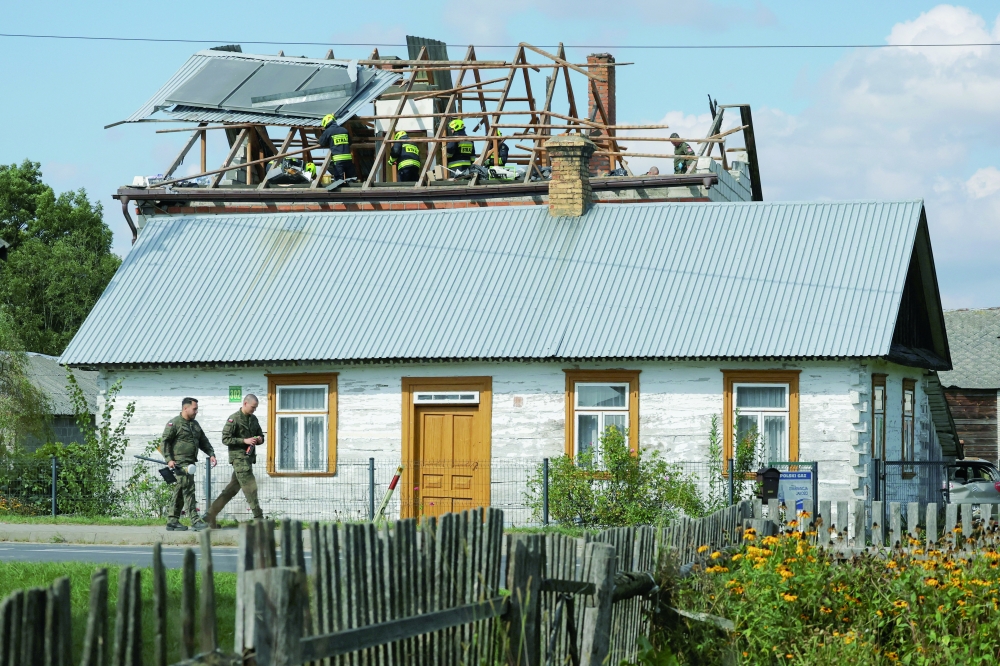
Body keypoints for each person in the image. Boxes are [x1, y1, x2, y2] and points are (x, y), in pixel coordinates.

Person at [204, 394, 264, 528]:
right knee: (250, 487)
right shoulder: (234, 419)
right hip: (238, 458)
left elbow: (261, 434)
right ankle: (259, 519)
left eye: (256, 408)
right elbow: (225, 439)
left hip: (248, 458)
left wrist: (259, 439)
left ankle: (210, 514)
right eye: (253, 407)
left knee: (231, 490)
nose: (254, 410)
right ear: (245, 404)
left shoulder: (253, 419)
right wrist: (244, 440)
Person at [161, 397, 217, 531]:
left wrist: (211, 453)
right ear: (185, 408)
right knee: (189, 489)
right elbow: (165, 442)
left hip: (190, 462)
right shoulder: (174, 423)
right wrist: (169, 459)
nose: (196, 411)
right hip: (180, 463)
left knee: (181, 490)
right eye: (195, 409)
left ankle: (172, 521)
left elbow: (203, 440)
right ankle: (195, 520)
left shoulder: (195, 424)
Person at [318, 114, 356, 180]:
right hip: (348, 159)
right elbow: (350, 142)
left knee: (339, 181)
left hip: (338, 160)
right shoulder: (344, 130)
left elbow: (322, 142)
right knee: (351, 179)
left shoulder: (328, 131)